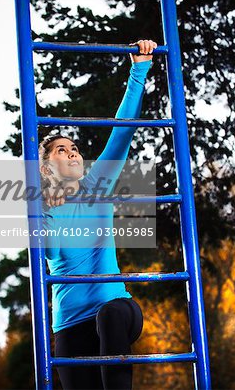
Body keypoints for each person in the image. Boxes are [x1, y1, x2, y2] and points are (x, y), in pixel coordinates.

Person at [39, 39, 157, 390]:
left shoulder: (98, 183)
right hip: (70, 326)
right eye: (62, 150)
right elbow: (48, 253)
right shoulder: (43, 211)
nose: (73, 153)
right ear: (46, 168)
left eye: (74, 148)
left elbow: (122, 133)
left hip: (117, 310)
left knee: (109, 314)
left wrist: (139, 69)